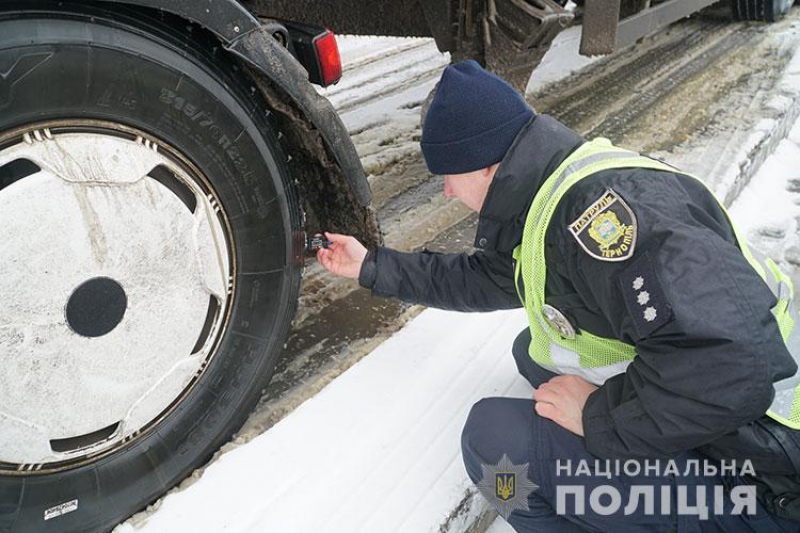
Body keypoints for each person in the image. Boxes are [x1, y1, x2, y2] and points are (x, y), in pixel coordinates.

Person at [317, 60, 800, 531]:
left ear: (484, 166)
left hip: (763, 478)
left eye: (446, 175)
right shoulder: (560, 187)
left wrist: (597, 416)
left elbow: (733, 367)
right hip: (741, 431)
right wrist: (371, 266)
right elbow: (487, 278)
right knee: (535, 353)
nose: (445, 192)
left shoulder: (602, 220)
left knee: (495, 447)